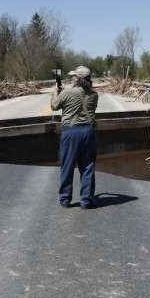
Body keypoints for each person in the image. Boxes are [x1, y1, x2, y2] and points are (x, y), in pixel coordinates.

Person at [50, 65, 99, 209]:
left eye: (74, 76)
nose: (72, 78)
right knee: (88, 166)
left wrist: (55, 93)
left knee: (67, 166)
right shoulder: (94, 95)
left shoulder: (67, 92)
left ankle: (65, 199)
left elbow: (54, 106)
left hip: (71, 133)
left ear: (78, 79)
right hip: (88, 132)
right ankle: (86, 200)